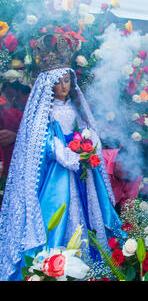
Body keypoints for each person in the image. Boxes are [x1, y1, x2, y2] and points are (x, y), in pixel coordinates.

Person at [0, 33, 124, 281]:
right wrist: (65, 153)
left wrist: (91, 144)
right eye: (59, 81)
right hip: (60, 169)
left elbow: (88, 127)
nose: (64, 86)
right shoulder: (44, 110)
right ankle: (56, 265)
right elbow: (42, 139)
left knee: (92, 211)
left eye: (68, 80)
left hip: (82, 166)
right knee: (60, 211)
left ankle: (90, 261)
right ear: (49, 84)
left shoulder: (76, 106)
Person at [103, 143, 148, 210]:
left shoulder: (135, 175)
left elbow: (128, 208)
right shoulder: (98, 162)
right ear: (120, 160)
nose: (132, 177)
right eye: (129, 172)